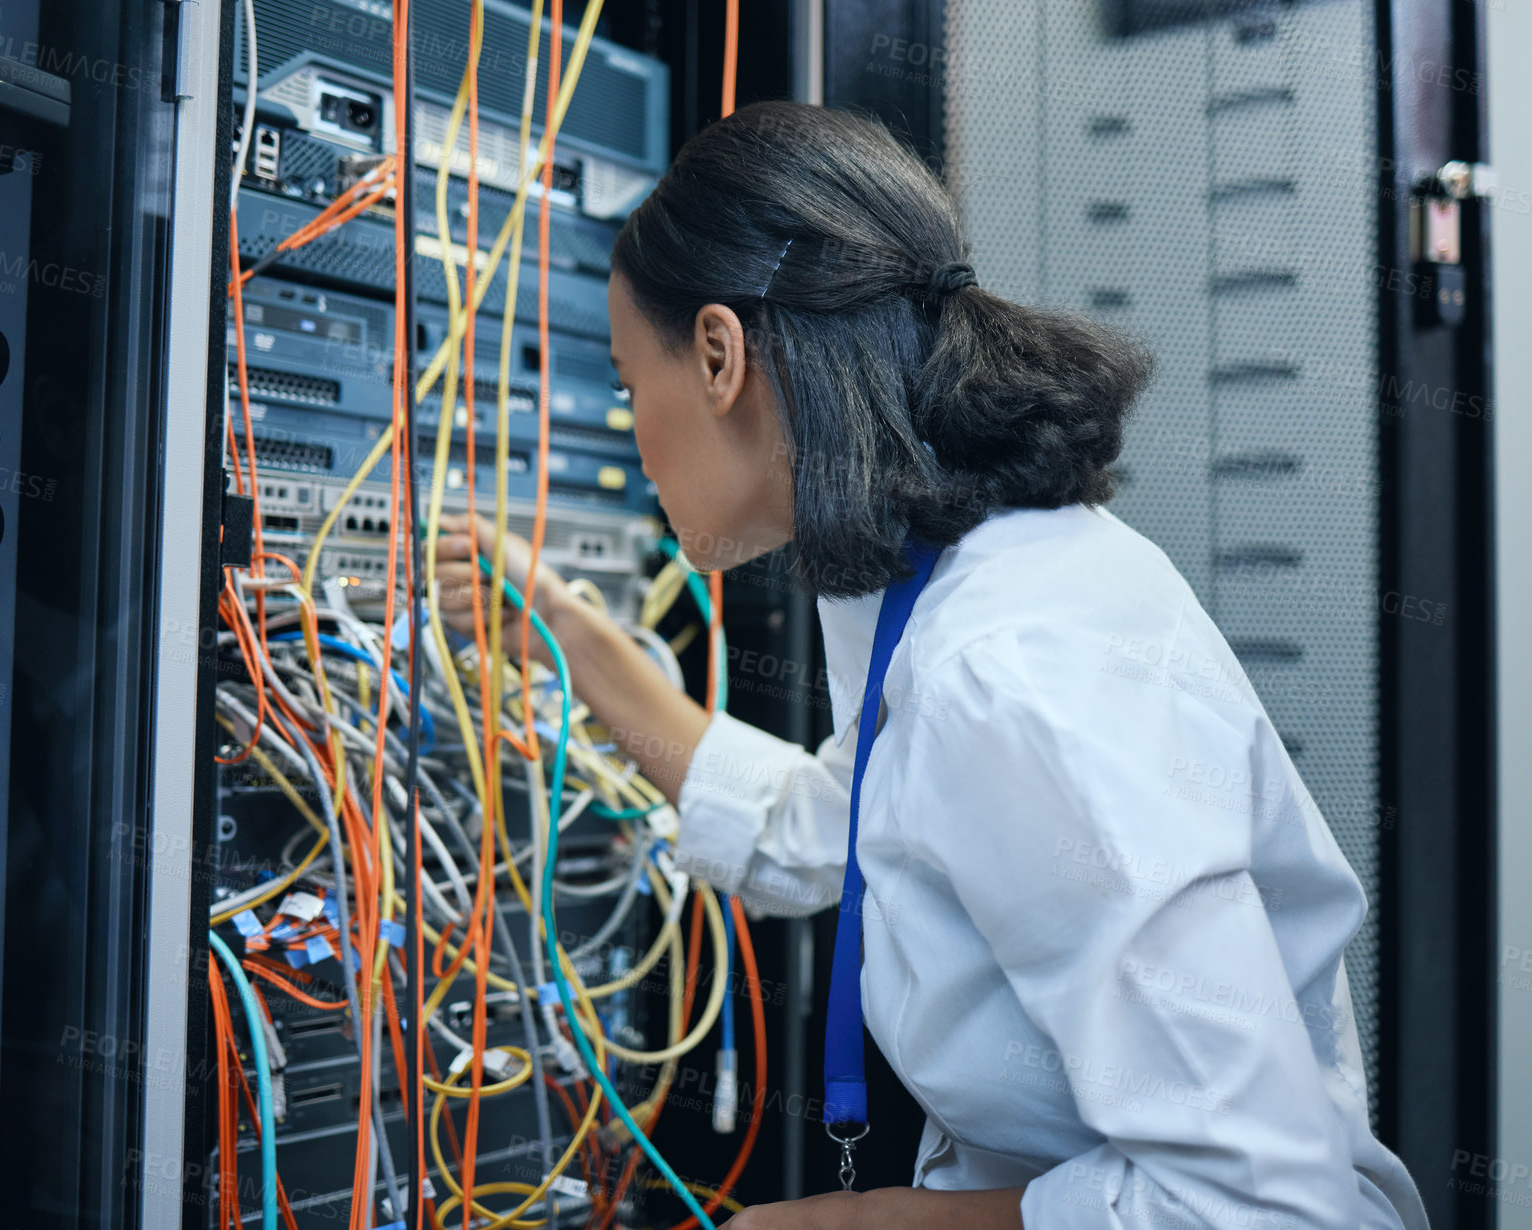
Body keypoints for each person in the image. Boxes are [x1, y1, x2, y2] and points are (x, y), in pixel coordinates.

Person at [436, 100, 1429, 1230]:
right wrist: (570, 640)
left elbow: (1257, 1207)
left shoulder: (1010, 673)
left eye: (628, 386)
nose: (629, 428)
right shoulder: (921, 580)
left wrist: (843, 1223)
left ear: (717, 355)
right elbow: (835, 834)